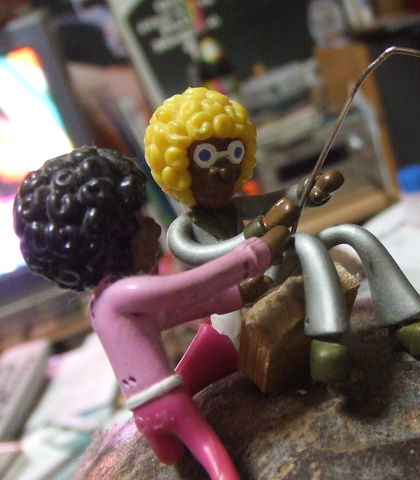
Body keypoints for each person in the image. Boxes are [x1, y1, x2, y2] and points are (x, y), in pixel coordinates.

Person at [13, 146, 290, 480]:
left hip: (142, 415)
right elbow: (188, 288)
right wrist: (254, 255)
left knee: (172, 458)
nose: (155, 230)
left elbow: (168, 316)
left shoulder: (99, 308)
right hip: (171, 402)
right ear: (112, 240)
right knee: (216, 460)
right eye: (142, 223)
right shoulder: (124, 293)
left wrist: (235, 295)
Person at [145, 87, 420, 384]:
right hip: (235, 302)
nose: (225, 171)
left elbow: (283, 197)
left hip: (270, 275)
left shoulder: (239, 205)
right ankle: (328, 339)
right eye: (206, 157)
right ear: (177, 168)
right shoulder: (182, 230)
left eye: (234, 154)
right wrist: (258, 231)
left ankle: (404, 317)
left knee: (350, 233)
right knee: (303, 242)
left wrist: (309, 190)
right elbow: (205, 256)